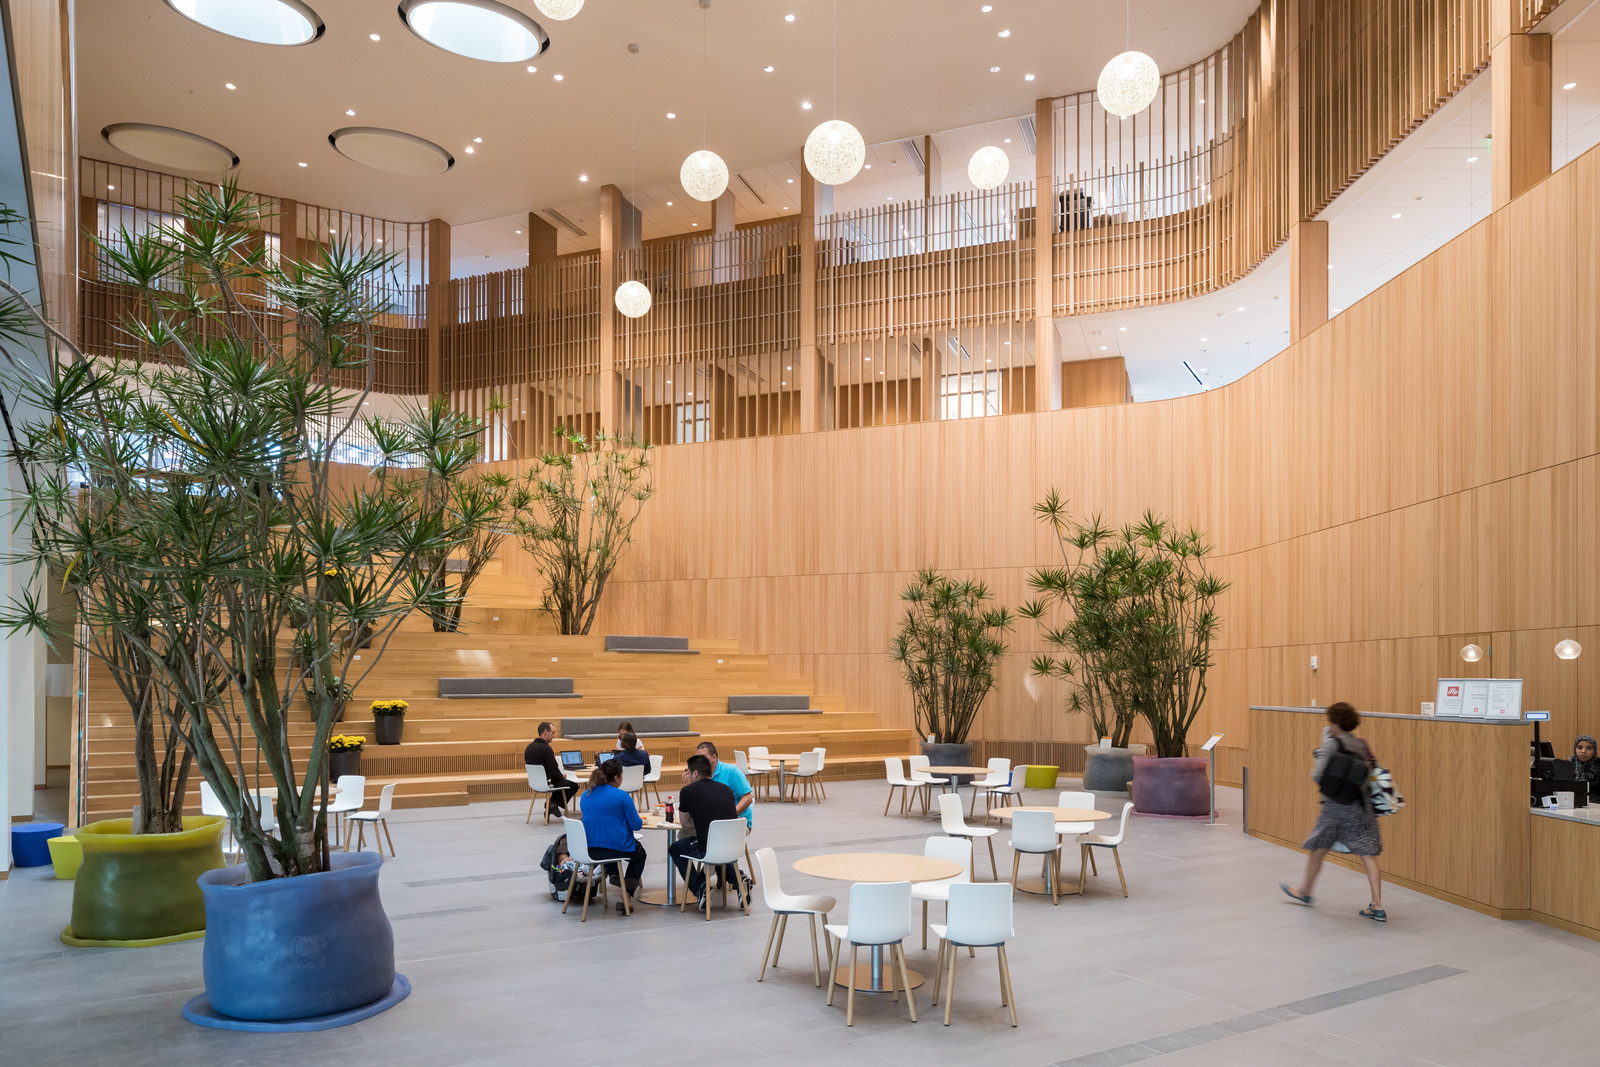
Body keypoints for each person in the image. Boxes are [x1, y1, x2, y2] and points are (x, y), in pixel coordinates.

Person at [1281, 702, 1385, 921]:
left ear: (1335, 723)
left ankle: (1305, 892)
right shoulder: (1361, 744)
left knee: (1318, 848)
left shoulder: (1331, 744)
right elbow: (1371, 773)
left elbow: (1316, 776)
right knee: (1367, 855)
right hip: (1361, 807)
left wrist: (1320, 750)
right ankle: (1377, 905)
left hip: (1336, 806)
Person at [669, 754, 740, 907]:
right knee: (718, 846)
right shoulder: (726, 789)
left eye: (688, 771)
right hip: (732, 847)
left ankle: (700, 887)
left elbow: (685, 824)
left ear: (694, 773)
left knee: (675, 848)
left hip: (708, 849)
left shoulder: (688, 791)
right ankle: (739, 881)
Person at [580, 760, 646, 912]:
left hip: (590, 849)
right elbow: (636, 825)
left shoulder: (586, 794)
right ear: (617, 778)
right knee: (639, 854)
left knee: (607, 848)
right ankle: (626, 893)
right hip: (616, 847)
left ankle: (615, 873)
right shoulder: (621, 796)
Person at [523, 721, 580, 817]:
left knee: (559, 781)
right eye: (553, 732)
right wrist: (561, 776)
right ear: (546, 732)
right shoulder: (546, 749)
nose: (554, 735)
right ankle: (552, 803)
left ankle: (552, 804)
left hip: (535, 783)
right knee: (573, 785)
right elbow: (554, 770)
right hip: (547, 783)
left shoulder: (529, 747)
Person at [694, 741, 753, 828]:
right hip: (712, 821)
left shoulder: (732, 771)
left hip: (737, 820)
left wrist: (730, 814)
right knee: (684, 833)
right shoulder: (699, 775)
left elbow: (748, 798)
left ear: (714, 757)